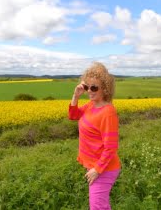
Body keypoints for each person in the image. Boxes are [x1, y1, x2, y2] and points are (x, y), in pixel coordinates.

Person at [68, 62, 121, 210]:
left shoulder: (108, 112)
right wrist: (76, 96)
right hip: (95, 166)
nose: (89, 91)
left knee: (97, 207)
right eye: (87, 87)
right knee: (100, 205)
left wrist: (97, 169)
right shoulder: (91, 105)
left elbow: (111, 147)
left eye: (94, 87)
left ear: (105, 89)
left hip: (104, 168)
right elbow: (73, 115)